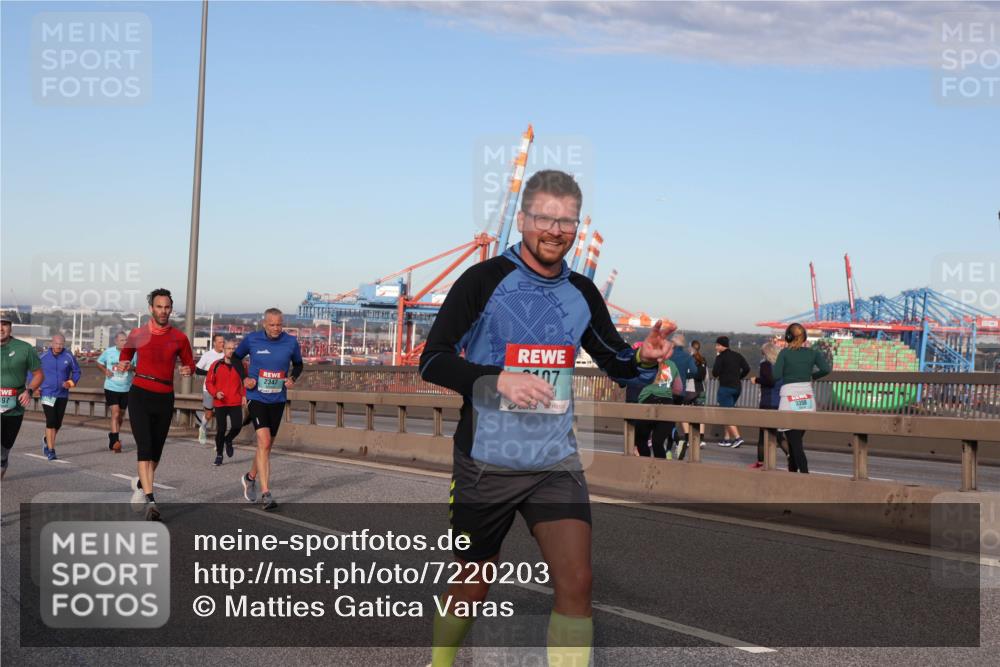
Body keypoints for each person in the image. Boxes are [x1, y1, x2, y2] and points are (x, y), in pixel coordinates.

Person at [418, 170, 671, 667]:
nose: (556, 231)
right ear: (522, 219)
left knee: (577, 581)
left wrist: (644, 358)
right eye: (544, 218)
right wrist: (495, 379)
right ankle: (440, 663)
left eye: (567, 221)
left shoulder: (583, 292)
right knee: (473, 582)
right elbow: (433, 360)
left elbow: (618, 364)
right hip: (486, 463)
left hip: (554, 462)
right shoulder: (483, 280)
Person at [118, 288, 195, 521]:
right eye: (159, 307)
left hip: (164, 396)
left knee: (156, 451)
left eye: (167, 307)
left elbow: (189, 364)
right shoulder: (137, 334)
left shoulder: (179, 338)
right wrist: (123, 364)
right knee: (144, 447)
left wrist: (187, 370)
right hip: (140, 394)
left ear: (171, 309)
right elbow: (125, 355)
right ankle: (151, 501)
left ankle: (141, 485)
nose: (163, 311)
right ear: (151, 308)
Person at [233, 308, 303, 511]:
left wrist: (292, 378)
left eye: (279, 324)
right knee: (263, 441)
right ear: (264, 324)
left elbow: (299, 364)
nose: (275, 328)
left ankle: (250, 477)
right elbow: (236, 358)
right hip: (256, 396)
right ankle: (266, 493)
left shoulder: (291, 342)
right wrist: (244, 379)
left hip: (278, 399)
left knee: (266, 446)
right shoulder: (252, 339)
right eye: (272, 324)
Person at [773, 323, 831, 473]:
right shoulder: (813, 353)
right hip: (807, 398)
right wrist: (812, 376)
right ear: (804, 337)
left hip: (789, 398)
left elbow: (776, 375)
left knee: (795, 443)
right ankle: (793, 473)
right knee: (795, 441)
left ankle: (805, 474)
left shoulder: (785, 353)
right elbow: (826, 369)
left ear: (788, 337)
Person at [1, 317, 43, 479]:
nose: (0, 328)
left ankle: (3, 459)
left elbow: (39, 375)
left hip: (14, 405)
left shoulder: (24, 348)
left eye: (4, 325)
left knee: (5, 446)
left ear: (10, 328)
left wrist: (29, 391)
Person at [35, 333, 81, 461]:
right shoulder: (43, 356)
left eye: (61, 344)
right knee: (51, 421)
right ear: (51, 343)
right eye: (56, 343)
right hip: (47, 393)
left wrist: (70, 383)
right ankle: (51, 450)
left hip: (62, 394)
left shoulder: (68, 356)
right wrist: (36, 386)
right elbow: (32, 371)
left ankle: (47, 439)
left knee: (58, 423)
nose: (59, 346)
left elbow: (77, 371)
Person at [204, 339, 246, 466]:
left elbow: (245, 381)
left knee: (237, 426)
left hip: (235, 401)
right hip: (220, 402)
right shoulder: (216, 365)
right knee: (221, 429)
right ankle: (219, 455)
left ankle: (228, 439)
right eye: (228, 348)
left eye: (233, 349)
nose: (231, 351)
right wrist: (215, 393)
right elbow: (209, 382)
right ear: (224, 350)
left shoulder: (241, 365)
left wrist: (244, 395)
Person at [635, 344, 681, 459]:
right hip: (667, 404)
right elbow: (678, 389)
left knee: (641, 440)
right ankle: (661, 466)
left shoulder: (647, 362)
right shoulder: (672, 365)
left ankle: (645, 463)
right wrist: (665, 388)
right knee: (657, 442)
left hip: (647, 401)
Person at [747, 342, 786, 469]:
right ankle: (791, 456)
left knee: (763, 434)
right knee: (778, 435)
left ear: (766, 353)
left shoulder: (765, 364)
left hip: (768, 401)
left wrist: (756, 380)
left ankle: (761, 462)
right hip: (780, 402)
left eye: (762, 353)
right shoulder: (782, 365)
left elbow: (769, 381)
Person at [96, 332, 135, 453]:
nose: (124, 343)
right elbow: (99, 362)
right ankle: (115, 442)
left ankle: (113, 435)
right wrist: (105, 371)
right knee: (115, 413)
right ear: (116, 341)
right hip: (111, 387)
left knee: (121, 415)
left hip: (126, 388)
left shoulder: (133, 353)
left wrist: (131, 368)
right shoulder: (109, 352)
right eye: (122, 340)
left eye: (126, 340)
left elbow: (138, 367)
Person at [711, 335, 749, 448]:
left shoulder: (720, 357)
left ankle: (738, 438)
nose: (716, 347)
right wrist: (739, 377)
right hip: (737, 388)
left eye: (717, 345)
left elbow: (714, 373)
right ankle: (726, 439)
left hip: (725, 388)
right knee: (728, 411)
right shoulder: (737, 355)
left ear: (722, 346)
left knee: (726, 414)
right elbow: (747, 368)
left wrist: (718, 361)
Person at [667, 333, 698, 458]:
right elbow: (694, 371)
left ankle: (674, 445)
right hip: (680, 392)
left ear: (673, 343)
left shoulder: (668, 355)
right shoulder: (687, 356)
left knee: (667, 421)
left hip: (667, 391)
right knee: (672, 420)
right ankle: (670, 450)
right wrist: (685, 376)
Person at [195, 334, 226, 445]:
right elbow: (197, 370)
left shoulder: (227, 355)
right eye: (220, 342)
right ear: (214, 343)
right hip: (208, 389)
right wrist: (211, 373)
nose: (222, 344)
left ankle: (219, 440)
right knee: (209, 415)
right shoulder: (208, 355)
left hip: (223, 390)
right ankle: (203, 428)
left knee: (221, 416)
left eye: (223, 342)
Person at [689, 339, 708, 446]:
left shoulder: (689, 359)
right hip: (701, 389)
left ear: (691, 348)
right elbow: (706, 378)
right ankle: (701, 439)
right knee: (701, 414)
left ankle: (688, 438)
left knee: (686, 413)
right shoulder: (703, 360)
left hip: (690, 389)